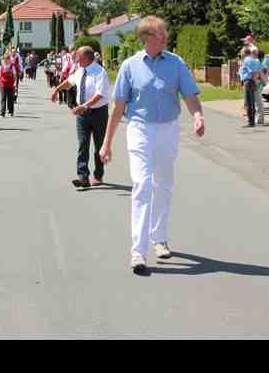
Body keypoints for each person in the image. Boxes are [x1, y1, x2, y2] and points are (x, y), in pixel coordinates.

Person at [98, 17, 205, 274]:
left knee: (163, 185)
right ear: (146, 38)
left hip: (168, 129)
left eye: (164, 33)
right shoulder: (130, 66)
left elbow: (190, 94)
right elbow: (118, 107)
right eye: (159, 34)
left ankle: (159, 238)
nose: (165, 37)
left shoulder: (176, 63)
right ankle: (138, 251)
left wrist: (197, 116)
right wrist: (106, 143)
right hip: (140, 129)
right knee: (142, 184)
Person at [51, 46, 110, 188]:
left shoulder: (100, 72)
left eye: (78, 57)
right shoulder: (80, 70)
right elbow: (69, 82)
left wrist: (84, 106)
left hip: (98, 112)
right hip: (82, 114)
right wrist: (57, 89)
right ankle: (83, 176)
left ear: (87, 58)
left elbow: (99, 94)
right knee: (83, 143)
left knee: (99, 145)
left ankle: (98, 175)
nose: (76, 59)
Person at [238, 46, 261, 128]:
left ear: (245, 53)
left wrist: (252, 80)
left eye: (241, 52)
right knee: (251, 102)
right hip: (251, 81)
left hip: (248, 81)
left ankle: (251, 122)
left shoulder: (247, 60)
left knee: (248, 102)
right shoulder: (252, 59)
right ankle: (252, 121)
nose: (240, 53)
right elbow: (257, 72)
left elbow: (254, 72)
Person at [251, 47, 266, 126]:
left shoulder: (257, 62)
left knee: (258, 101)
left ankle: (260, 118)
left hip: (257, 83)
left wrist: (262, 81)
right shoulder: (260, 62)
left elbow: (260, 73)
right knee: (258, 101)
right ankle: (259, 118)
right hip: (259, 83)